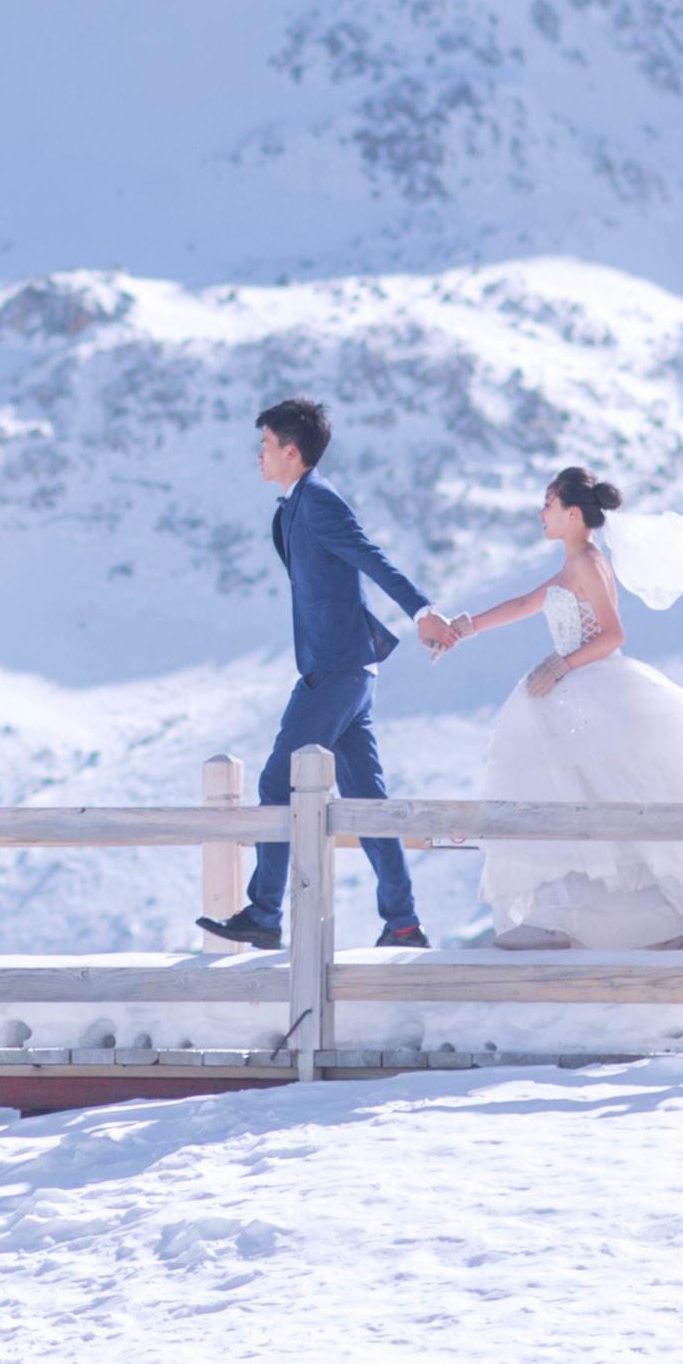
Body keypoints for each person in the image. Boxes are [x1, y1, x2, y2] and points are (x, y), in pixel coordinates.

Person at [420, 464, 683, 950]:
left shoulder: (588, 563)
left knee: (620, 795)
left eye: (548, 504)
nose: (540, 513)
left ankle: (599, 918)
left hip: (593, 689)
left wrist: (562, 665)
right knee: (576, 795)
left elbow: (613, 634)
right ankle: (566, 915)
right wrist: (464, 628)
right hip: (573, 693)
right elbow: (526, 603)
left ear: (572, 513)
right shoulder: (573, 564)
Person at [198, 397, 432, 952]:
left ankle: (263, 913)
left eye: (265, 445)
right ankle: (403, 925)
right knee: (367, 804)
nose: (258, 455)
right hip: (347, 669)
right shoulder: (292, 508)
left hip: (336, 670)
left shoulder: (320, 501)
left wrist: (422, 611)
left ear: (291, 451)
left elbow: (370, 557)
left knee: (275, 783)